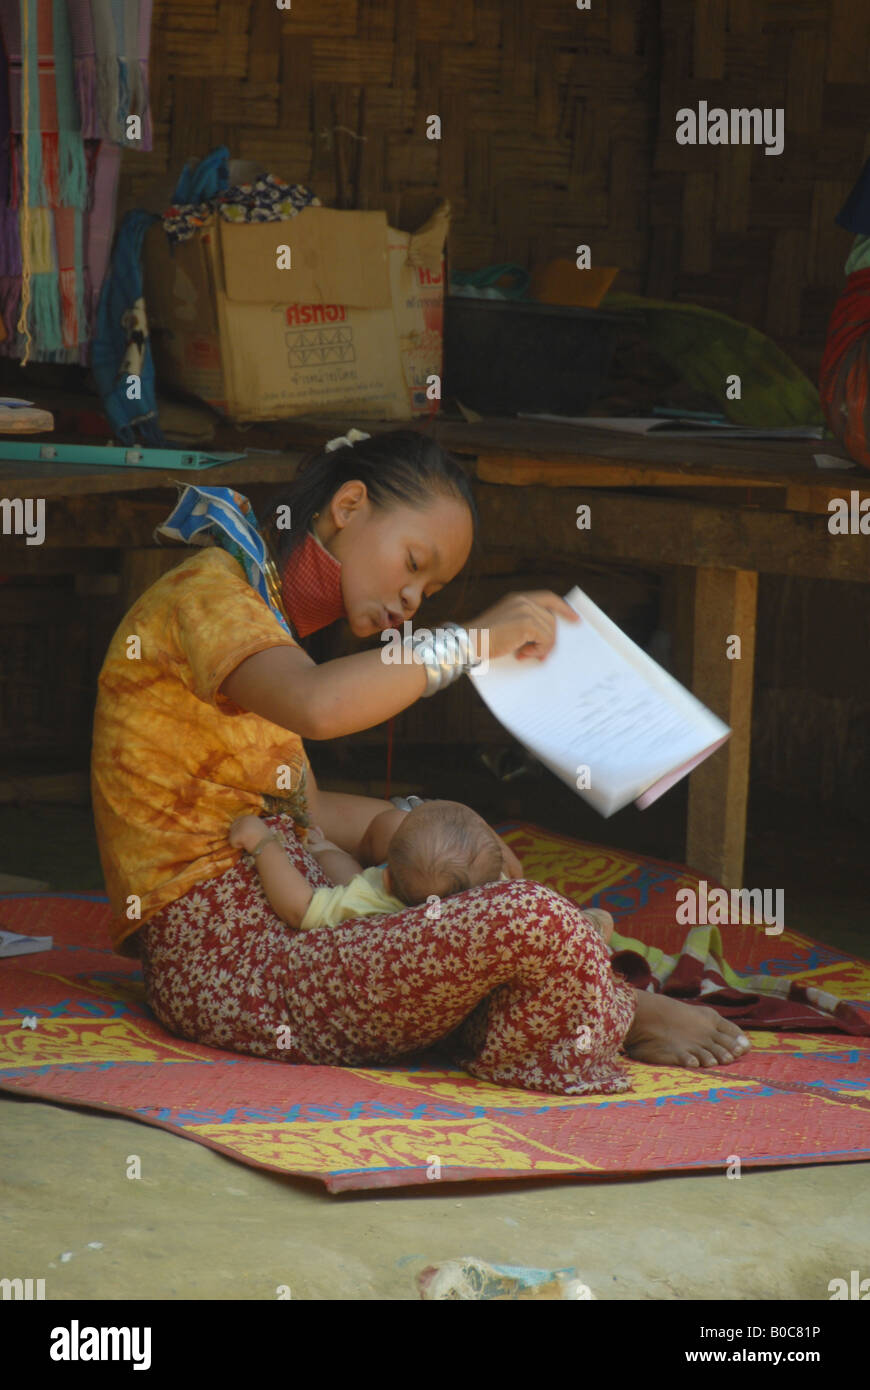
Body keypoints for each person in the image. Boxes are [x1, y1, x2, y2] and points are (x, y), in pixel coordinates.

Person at [90, 427, 751, 1095]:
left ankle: (570, 1001)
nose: (412, 601)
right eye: (413, 562)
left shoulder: (267, 623)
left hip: (297, 938)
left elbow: (310, 811)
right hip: (234, 966)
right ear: (348, 506)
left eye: (429, 593)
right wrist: (468, 642)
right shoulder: (208, 595)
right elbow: (319, 704)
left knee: (482, 877)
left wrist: (418, 836)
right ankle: (616, 1009)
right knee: (534, 921)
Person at [228, 798, 616, 940]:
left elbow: (300, 907)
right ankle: (588, 927)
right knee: (563, 926)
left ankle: (325, 848)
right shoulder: (496, 907)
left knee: (342, 874)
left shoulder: (374, 902)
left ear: (386, 876)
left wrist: (264, 844)